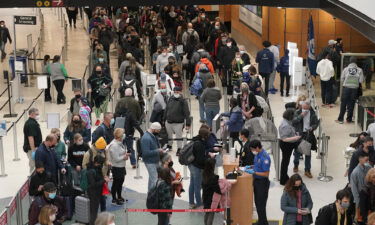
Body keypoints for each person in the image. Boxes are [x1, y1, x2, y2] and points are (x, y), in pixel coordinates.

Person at [244, 140, 271, 225]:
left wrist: (254, 172)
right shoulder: (257, 155)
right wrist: (251, 167)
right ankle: (261, 221)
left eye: (253, 149)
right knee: (257, 203)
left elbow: (266, 174)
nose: (252, 151)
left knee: (261, 205)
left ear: (257, 148)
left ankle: (263, 223)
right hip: (256, 181)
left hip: (262, 183)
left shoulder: (265, 157)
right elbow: (257, 165)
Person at [189, 126, 214, 209]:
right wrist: (209, 157)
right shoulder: (199, 144)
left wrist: (206, 154)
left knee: (192, 184)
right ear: (205, 136)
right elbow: (200, 159)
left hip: (192, 165)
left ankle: (191, 202)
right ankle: (199, 204)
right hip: (197, 167)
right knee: (197, 186)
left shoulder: (196, 140)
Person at [292, 101, 319, 178]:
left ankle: (307, 170)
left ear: (309, 107)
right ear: (301, 107)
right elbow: (293, 122)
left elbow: (316, 123)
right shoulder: (297, 112)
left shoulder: (313, 113)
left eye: (306, 109)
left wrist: (312, 128)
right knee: (297, 152)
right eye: (303, 108)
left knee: (308, 153)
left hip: (308, 134)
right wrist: (301, 116)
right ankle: (296, 164)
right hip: (299, 135)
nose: (305, 110)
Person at [336, 57, 364, 124]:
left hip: (346, 88)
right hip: (354, 89)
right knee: (351, 104)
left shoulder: (345, 69)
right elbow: (361, 81)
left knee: (343, 103)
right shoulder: (360, 70)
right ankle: (349, 119)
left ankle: (340, 119)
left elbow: (342, 79)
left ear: (350, 61)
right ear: (356, 62)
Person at [164, 86, 191, 153]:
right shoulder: (170, 99)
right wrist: (164, 119)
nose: (176, 93)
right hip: (169, 121)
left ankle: (179, 148)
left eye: (177, 92)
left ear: (180, 92)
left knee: (179, 136)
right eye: (175, 92)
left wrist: (188, 123)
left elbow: (187, 113)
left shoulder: (183, 101)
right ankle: (169, 145)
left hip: (178, 122)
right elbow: (166, 109)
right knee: (169, 135)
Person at [279, 109, 301, 185]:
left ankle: (284, 177)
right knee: (285, 162)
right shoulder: (285, 125)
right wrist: (295, 138)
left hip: (289, 144)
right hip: (286, 145)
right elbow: (284, 138)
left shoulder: (287, 121)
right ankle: (283, 180)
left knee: (286, 161)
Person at [108, 128, 129, 205]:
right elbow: (116, 158)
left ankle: (119, 196)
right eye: (123, 134)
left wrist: (125, 155)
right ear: (119, 135)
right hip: (117, 167)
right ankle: (114, 199)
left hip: (121, 166)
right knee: (116, 183)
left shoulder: (120, 142)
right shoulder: (114, 145)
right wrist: (124, 157)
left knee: (120, 182)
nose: (124, 135)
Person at [88, 155, 110, 225]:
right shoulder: (91, 171)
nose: (101, 165)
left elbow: (99, 178)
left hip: (99, 191)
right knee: (93, 212)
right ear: (96, 163)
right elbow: (93, 185)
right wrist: (104, 180)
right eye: (101, 164)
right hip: (93, 193)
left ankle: (102, 221)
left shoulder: (97, 168)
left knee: (102, 205)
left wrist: (104, 178)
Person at [141, 122, 163, 191]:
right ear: (153, 129)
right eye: (158, 131)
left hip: (154, 160)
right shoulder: (146, 138)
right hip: (150, 162)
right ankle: (154, 197)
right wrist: (157, 151)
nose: (159, 132)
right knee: (154, 180)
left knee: (151, 179)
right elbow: (145, 153)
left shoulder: (152, 135)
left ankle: (150, 196)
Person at [351, 151, 372, 219]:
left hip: (369, 195)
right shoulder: (355, 172)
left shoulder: (369, 167)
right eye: (364, 157)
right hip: (360, 198)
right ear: (359, 159)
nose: (367, 158)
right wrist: (358, 202)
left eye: (367, 156)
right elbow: (354, 190)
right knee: (360, 216)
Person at [202, 158, 221, 225]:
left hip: (205, 197)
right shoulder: (214, 177)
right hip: (212, 199)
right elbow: (217, 190)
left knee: (207, 213)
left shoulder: (204, 175)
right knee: (211, 214)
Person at [23, 108, 42, 173]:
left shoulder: (32, 122)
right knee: (33, 166)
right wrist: (33, 150)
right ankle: (32, 181)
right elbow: (31, 138)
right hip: (32, 149)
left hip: (34, 148)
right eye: (37, 114)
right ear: (32, 114)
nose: (38, 116)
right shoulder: (31, 124)